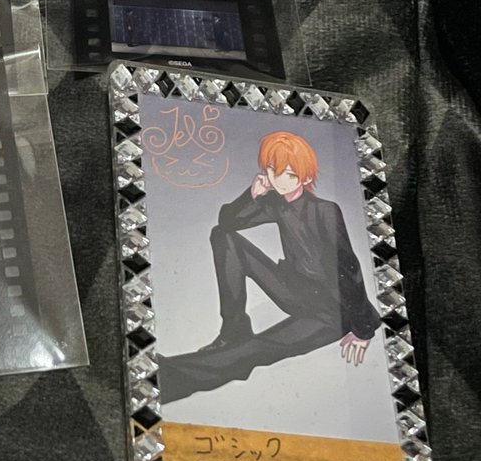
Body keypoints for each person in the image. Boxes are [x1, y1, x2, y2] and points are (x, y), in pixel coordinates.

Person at [155, 131, 382, 402]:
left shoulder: (325, 211)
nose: (278, 179)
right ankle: (234, 329)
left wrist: (363, 328)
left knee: (256, 349)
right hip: (296, 291)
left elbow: (348, 270)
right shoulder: (277, 203)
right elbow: (228, 223)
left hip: (331, 312)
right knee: (223, 237)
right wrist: (252, 194)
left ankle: (168, 377)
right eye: (273, 170)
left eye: (289, 173)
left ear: (305, 177)